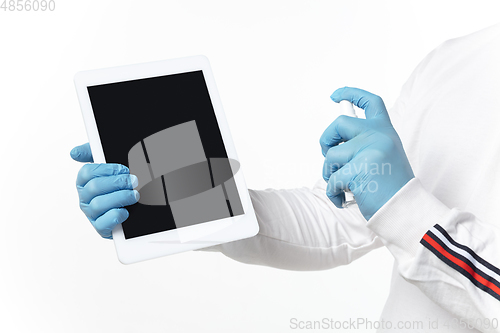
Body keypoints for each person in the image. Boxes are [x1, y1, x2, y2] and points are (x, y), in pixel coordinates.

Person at [71, 24, 500, 332]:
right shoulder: (453, 59)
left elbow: (400, 214)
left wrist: (406, 211)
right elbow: (344, 221)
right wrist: (194, 203)